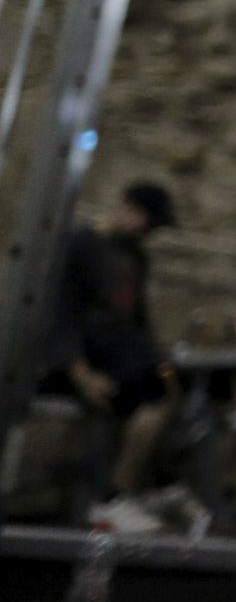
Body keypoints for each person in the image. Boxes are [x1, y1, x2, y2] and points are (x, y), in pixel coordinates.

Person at [37, 183, 179, 533]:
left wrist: (159, 356)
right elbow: (62, 314)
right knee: (153, 399)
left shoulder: (136, 256)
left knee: (169, 390)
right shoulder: (81, 246)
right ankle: (113, 499)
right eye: (146, 222)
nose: (147, 233)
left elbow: (138, 319)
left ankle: (146, 489)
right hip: (91, 360)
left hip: (125, 357)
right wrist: (81, 374)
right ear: (126, 207)